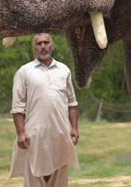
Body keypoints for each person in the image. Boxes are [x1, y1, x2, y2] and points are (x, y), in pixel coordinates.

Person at [9, 33, 80, 187]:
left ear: (52, 46)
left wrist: (74, 127)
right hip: (35, 134)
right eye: (39, 43)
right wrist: (21, 133)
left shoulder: (64, 70)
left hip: (60, 132)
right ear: (34, 48)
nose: (43, 46)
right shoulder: (25, 71)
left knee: (60, 176)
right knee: (34, 175)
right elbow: (17, 107)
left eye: (46, 43)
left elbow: (72, 102)